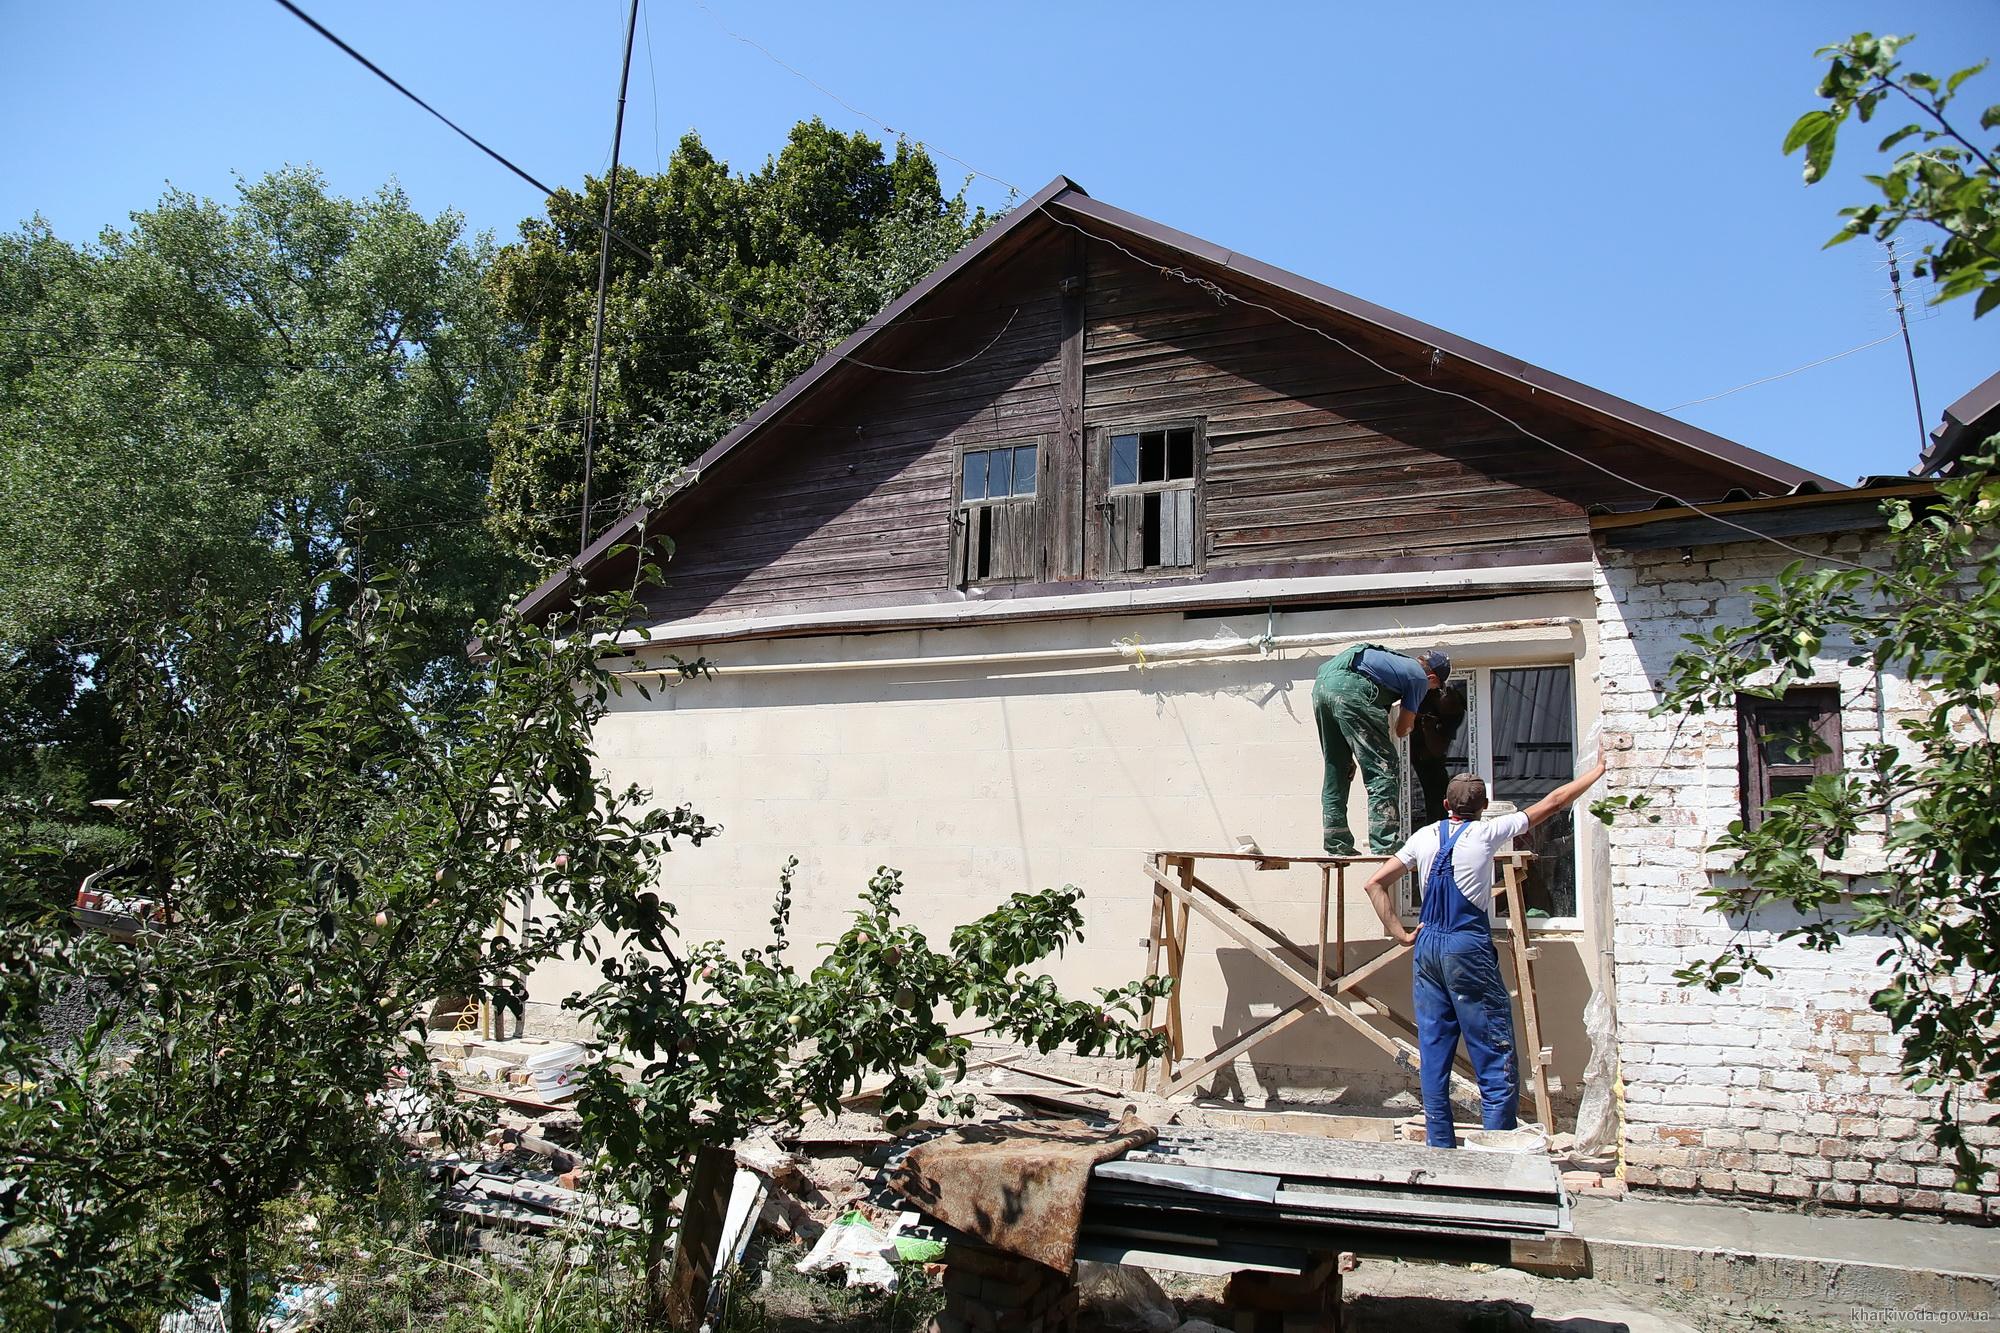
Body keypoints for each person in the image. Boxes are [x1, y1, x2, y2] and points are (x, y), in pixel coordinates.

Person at [1356, 753, 1609, 1149]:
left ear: (1444, 805)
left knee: (1434, 1046)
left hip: (1427, 948)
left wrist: (1401, 934)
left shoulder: (1422, 838)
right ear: (1484, 808)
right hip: (1466, 948)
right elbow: (1555, 802)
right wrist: (1598, 771)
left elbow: (1374, 883)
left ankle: (1440, 1144)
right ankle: (1498, 1145)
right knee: (1491, 1045)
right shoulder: (1488, 834)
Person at [1312, 645, 1450, 856]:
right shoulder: (1419, 678)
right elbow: (1402, 729)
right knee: (1383, 767)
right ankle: (1385, 842)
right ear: (1432, 677)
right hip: (1352, 690)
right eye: (1435, 687)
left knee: (1338, 767)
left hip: (1323, 687)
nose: (1431, 691)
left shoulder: (1396, 663)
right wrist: (1415, 722)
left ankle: (1336, 842)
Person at [1412, 685, 1467, 825]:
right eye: (1445, 693)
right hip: (1409, 763)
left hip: (1429, 768)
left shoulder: (1452, 718)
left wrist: (1428, 729)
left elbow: (1437, 750)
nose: (1444, 695)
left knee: (1435, 806)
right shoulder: (1427, 692)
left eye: (1454, 705)